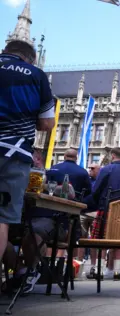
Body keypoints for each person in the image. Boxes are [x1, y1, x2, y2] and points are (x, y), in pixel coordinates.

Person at [0, 40, 55, 272]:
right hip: (13, 152)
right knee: (1, 218)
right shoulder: (37, 75)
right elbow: (46, 123)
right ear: (29, 59)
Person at [84, 147, 120, 280]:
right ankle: (117, 272)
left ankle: (100, 270)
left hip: (106, 208)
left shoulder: (106, 169)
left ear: (112, 155)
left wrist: (87, 204)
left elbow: (96, 190)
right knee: (118, 240)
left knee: (100, 240)